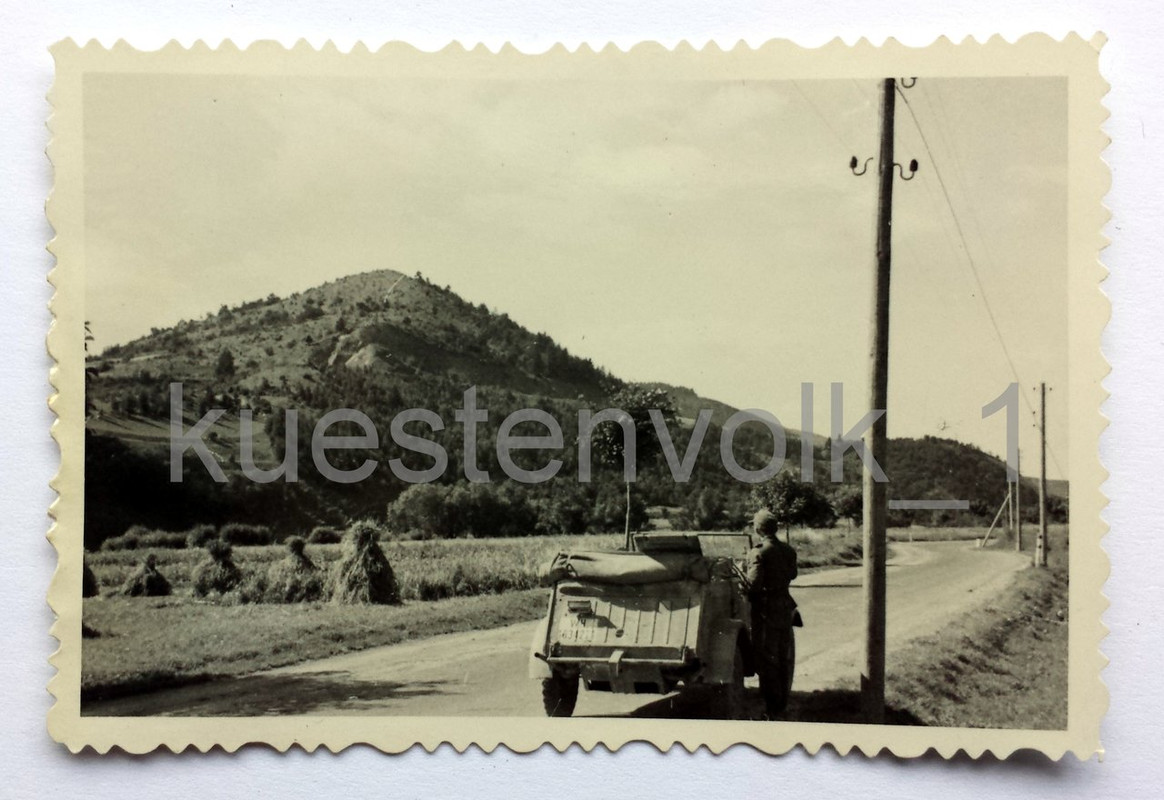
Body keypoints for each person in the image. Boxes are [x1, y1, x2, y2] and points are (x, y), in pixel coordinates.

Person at [745, 508, 799, 714]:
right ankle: (781, 703)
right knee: (783, 657)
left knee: (768, 659)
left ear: (758, 529)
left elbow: (753, 584)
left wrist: (744, 585)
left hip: (766, 610)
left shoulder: (758, 552)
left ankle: (772, 707)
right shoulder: (788, 550)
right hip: (785, 606)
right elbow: (792, 574)